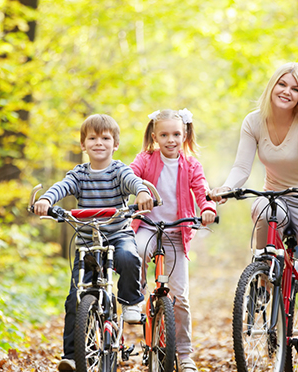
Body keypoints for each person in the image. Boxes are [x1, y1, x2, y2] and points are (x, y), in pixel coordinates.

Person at [209, 62, 298, 372]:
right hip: (275, 197)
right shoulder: (254, 122)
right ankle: (263, 279)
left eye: (295, 89)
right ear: (272, 86)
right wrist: (227, 188)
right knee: (264, 210)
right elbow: (242, 168)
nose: (287, 92)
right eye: (283, 85)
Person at [32, 114, 153, 371]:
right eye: (93, 138)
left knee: (130, 257)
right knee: (75, 300)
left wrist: (141, 191)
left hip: (117, 236)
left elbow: (133, 182)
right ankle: (72, 357)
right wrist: (46, 200)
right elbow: (61, 187)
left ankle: (131, 301)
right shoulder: (79, 174)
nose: (99, 143)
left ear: (115, 144)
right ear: (83, 145)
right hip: (87, 244)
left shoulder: (119, 170)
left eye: (106, 138)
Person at [130, 108, 217, 372]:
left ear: (185, 134)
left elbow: (201, 190)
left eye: (176, 134)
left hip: (176, 233)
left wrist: (208, 209)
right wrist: (140, 190)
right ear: (155, 136)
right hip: (148, 226)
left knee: (180, 297)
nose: (171, 139)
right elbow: (130, 175)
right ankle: (135, 298)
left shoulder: (191, 165)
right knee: (136, 252)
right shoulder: (146, 159)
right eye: (165, 134)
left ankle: (185, 353)